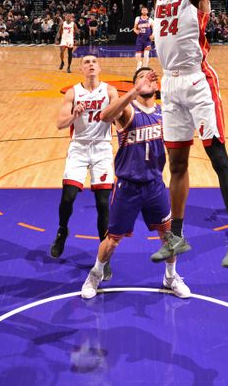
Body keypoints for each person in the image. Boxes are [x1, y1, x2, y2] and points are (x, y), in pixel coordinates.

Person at [123, 0, 228, 268]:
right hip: (171, 85)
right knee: (175, 164)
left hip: (198, 82)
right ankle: (176, 235)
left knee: (218, 156)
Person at [80, 67, 191, 299]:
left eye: (152, 77)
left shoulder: (164, 114)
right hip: (127, 187)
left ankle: (171, 277)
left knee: (169, 237)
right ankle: (95, 274)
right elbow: (105, 116)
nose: (148, 80)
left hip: (155, 186)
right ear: (135, 84)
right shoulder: (128, 111)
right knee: (111, 241)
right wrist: (133, 91)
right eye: (142, 76)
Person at [50, 55, 117, 281]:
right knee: (68, 197)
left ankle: (104, 257)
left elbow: (120, 116)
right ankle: (62, 230)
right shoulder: (73, 92)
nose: (90, 64)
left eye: (94, 62)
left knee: (102, 204)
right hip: (78, 147)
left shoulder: (110, 91)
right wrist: (74, 115)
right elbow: (60, 124)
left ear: (100, 67)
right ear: (80, 68)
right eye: (86, 62)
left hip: (102, 148)